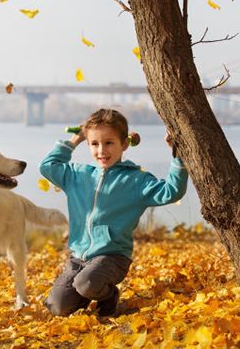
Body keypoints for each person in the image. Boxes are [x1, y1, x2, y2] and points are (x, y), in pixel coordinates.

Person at [39, 108, 188, 317]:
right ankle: (85, 292)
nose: (101, 150)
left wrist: (178, 158)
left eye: (109, 143)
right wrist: (76, 139)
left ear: (124, 144)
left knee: (87, 282)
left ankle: (107, 296)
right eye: (94, 143)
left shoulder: (135, 180)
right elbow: (47, 166)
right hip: (78, 258)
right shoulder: (77, 176)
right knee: (58, 307)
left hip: (113, 256)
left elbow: (171, 192)